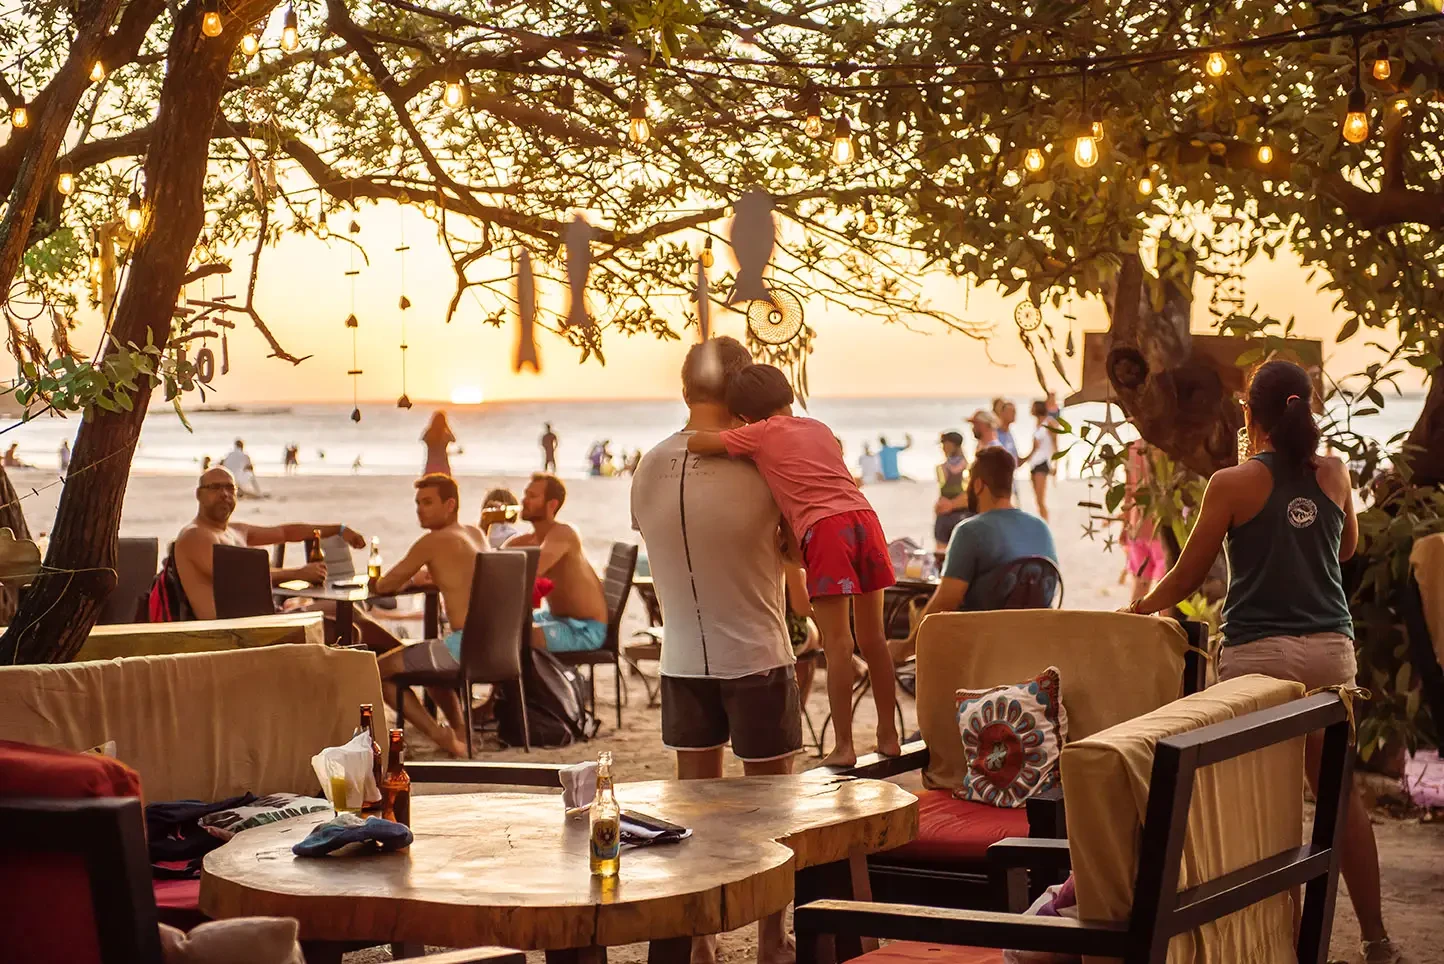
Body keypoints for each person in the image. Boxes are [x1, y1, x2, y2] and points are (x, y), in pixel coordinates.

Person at [1122, 360, 1397, 964]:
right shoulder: (1334, 473)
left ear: (1249, 414)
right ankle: (1377, 940)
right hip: (1329, 653)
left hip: (1257, 657)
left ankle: (1269, 945)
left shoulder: (1231, 483)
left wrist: (1137, 608)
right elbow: (1347, 548)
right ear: (1309, 407)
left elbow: (1187, 576)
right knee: (1340, 797)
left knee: (1257, 805)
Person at [630, 336, 801, 964]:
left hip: (681, 658)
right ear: (738, 388)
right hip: (757, 652)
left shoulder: (648, 465)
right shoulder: (761, 463)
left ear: (684, 391)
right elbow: (796, 552)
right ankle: (771, 940)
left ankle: (701, 939)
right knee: (772, 813)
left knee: (694, 811)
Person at [689, 363, 899, 768]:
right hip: (865, 521)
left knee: (838, 644)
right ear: (787, 394)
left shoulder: (760, 432)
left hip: (825, 530)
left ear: (745, 414)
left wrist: (728, 426)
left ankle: (844, 746)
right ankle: (888, 736)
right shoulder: (820, 428)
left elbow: (699, 443)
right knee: (874, 639)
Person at [891, 447, 1057, 663]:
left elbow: (945, 602)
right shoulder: (1041, 527)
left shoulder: (969, 531)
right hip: (1033, 639)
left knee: (919, 606)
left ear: (978, 485)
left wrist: (906, 648)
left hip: (981, 644)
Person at [373, 474, 489, 758]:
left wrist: (412, 579)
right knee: (426, 663)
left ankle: (441, 736)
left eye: (427, 502)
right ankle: (460, 731)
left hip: (462, 648)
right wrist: (434, 576)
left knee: (377, 670)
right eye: (417, 503)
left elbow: (383, 586)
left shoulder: (433, 541)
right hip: (493, 645)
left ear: (450, 505)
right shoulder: (475, 534)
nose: (419, 510)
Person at [173, 466, 368, 622]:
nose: (224, 494)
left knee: (350, 615)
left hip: (262, 619)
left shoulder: (235, 531)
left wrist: (340, 529)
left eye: (230, 488)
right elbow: (236, 578)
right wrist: (298, 573)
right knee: (342, 615)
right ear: (198, 494)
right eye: (215, 488)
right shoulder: (195, 535)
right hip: (233, 630)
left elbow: (285, 532)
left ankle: (386, 657)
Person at [503, 474, 609, 653]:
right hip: (554, 618)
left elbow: (533, 571)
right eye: (525, 494)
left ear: (552, 505)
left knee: (521, 635)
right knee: (499, 629)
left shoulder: (564, 534)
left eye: (532, 496)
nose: (524, 500)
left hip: (584, 628)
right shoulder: (526, 541)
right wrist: (487, 525)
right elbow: (490, 566)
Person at [1121, 440, 1168, 601]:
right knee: (1165, 589)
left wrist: (1125, 525)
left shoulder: (1131, 448)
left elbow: (1128, 491)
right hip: (1160, 528)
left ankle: (1132, 618)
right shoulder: (1165, 446)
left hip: (1137, 526)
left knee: (1140, 584)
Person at [1021, 400, 1057, 523]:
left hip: (1042, 462)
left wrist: (1055, 464)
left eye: (1033, 407)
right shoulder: (1037, 424)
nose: (1030, 409)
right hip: (1034, 463)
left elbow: (1055, 444)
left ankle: (1045, 524)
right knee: (1037, 499)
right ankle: (1043, 522)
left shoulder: (1049, 423)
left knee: (1041, 499)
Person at [934, 431, 969, 551]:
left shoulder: (969, 468)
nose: (943, 448)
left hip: (961, 514)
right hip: (949, 515)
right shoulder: (968, 466)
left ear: (953, 445)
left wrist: (950, 504)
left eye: (945, 444)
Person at [421, 411, 456, 477]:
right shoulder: (445, 435)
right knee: (445, 481)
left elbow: (423, 439)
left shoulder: (429, 433)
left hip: (431, 463)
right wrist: (447, 427)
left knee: (429, 480)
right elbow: (453, 439)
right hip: (443, 464)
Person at [991, 398, 1020, 462]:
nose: (1014, 414)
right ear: (1002, 413)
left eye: (1014, 411)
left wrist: (1034, 450)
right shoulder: (994, 434)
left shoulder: (1009, 434)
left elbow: (1016, 461)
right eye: (1011, 411)